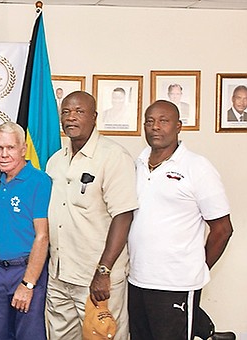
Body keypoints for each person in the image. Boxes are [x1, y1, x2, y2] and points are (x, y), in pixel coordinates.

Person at [128, 100, 234, 340]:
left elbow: (223, 229)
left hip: (175, 285)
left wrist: (197, 268)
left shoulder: (197, 167)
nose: (155, 127)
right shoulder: (137, 164)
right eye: (149, 121)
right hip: (137, 279)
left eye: (163, 121)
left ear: (178, 126)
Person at [46, 91, 138, 340]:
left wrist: (104, 271)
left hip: (96, 279)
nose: (71, 117)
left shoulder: (113, 156)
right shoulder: (55, 162)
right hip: (59, 276)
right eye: (65, 112)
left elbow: (123, 216)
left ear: (94, 117)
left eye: (79, 112)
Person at [0, 122, 51, 340]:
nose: (4, 154)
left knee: (28, 336)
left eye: (10, 148)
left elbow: (42, 236)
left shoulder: (39, 181)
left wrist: (28, 284)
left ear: (23, 149)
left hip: (25, 271)